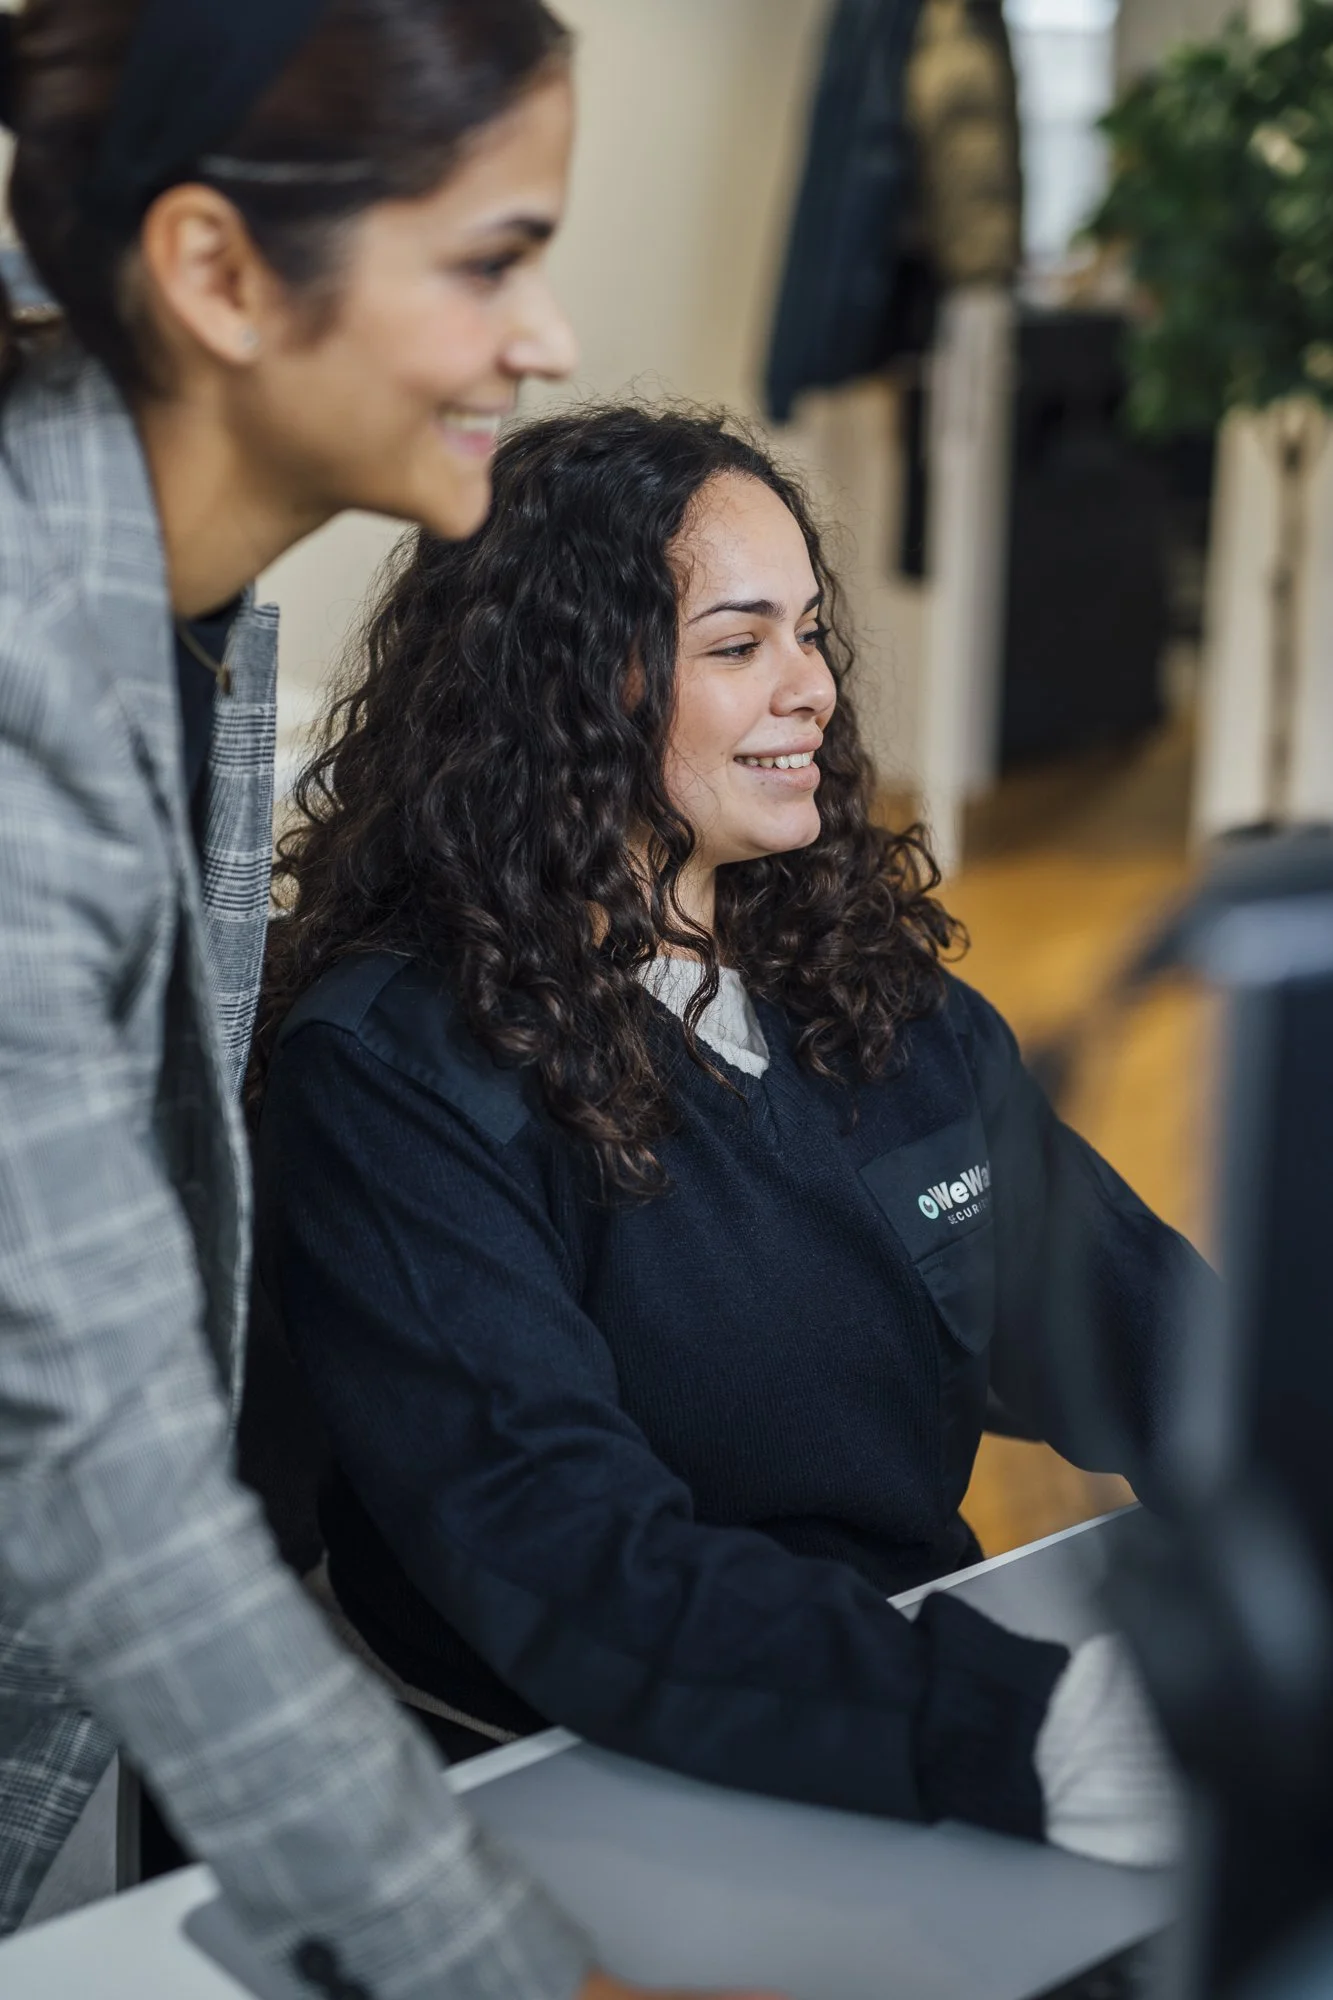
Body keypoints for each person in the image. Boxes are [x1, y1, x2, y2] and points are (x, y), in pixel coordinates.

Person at [0, 6, 766, 1998]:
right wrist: (510, 1967)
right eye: (490, 257)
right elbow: (101, 1466)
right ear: (218, 276)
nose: (547, 336)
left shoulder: (180, 586)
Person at [254, 404, 1206, 1871]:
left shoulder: (872, 995)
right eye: (739, 644)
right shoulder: (392, 1074)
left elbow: (1137, 1320)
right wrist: (1021, 1733)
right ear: (569, 688)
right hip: (568, 1777)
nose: (813, 690)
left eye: (812, 634)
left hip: (900, 1689)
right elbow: (564, 1555)